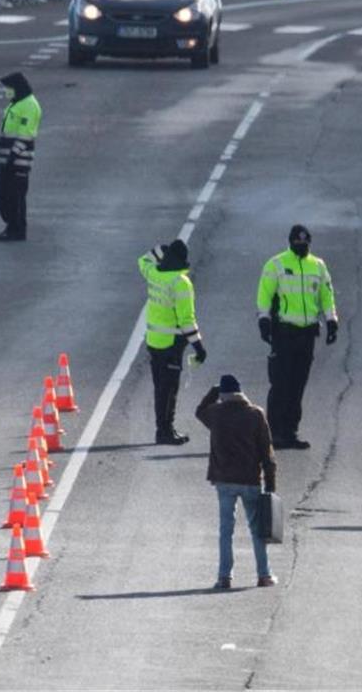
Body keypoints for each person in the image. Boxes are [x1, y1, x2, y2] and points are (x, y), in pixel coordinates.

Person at [256, 225, 338, 450]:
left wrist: (332, 321)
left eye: (305, 244)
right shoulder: (277, 264)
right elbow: (265, 294)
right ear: (290, 242)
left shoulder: (318, 266)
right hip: (283, 332)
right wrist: (263, 319)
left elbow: (326, 295)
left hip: (307, 333)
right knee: (281, 383)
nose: (301, 247)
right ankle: (274, 433)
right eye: (297, 243)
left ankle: (291, 432)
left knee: (298, 385)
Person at [196, 374, 277, 589]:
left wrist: (214, 391)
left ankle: (224, 577)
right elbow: (267, 452)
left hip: (224, 480)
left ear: (223, 395)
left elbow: (199, 411)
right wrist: (270, 484)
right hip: (250, 480)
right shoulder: (255, 414)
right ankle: (264, 575)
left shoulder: (215, 414)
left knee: (226, 530)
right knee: (257, 528)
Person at [139, 240, 207, 445]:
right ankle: (165, 431)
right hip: (171, 344)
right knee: (169, 390)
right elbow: (187, 319)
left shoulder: (153, 273)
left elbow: (143, 259)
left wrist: (161, 248)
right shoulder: (180, 282)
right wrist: (199, 347)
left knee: (160, 388)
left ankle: (163, 429)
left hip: (153, 341)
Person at [0, 72, 41, 241]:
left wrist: (12, 155)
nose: (7, 91)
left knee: (16, 196)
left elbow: (26, 135)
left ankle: (17, 229)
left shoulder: (30, 106)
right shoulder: (16, 104)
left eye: (8, 88)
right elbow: (7, 132)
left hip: (19, 161)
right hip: (7, 160)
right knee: (2, 193)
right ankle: (12, 225)